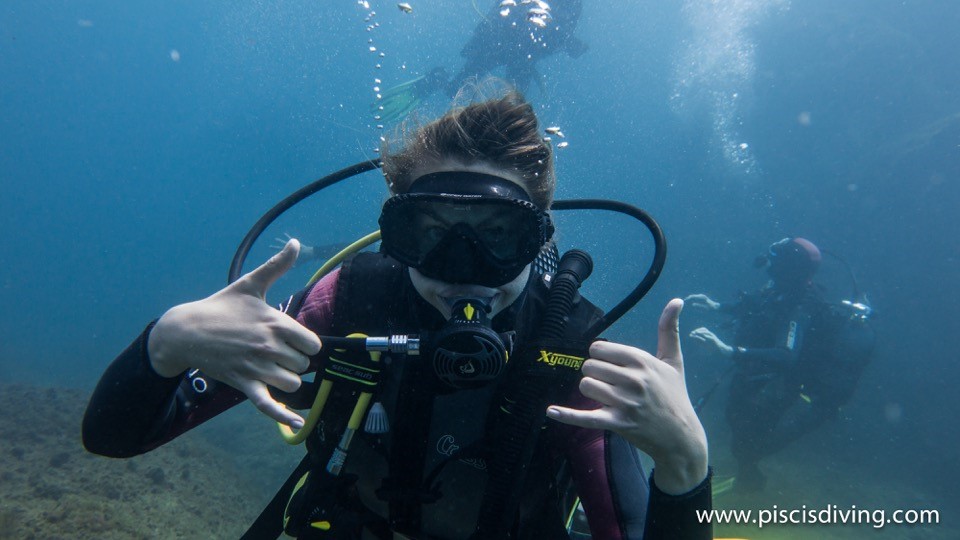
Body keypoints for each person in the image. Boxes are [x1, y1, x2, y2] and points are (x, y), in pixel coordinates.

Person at [83, 87, 711, 539]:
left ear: (538, 242)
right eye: (429, 233)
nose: (461, 269)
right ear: (394, 235)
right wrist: (165, 344)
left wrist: (685, 463)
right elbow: (113, 438)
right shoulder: (344, 304)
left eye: (496, 238)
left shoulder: (567, 348)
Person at [686, 237, 874, 493]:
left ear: (790, 267)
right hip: (764, 374)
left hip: (789, 381)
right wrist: (717, 306)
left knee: (752, 436)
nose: (768, 266)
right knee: (737, 419)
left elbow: (787, 355)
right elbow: (759, 304)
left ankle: (749, 478)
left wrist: (729, 350)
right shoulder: (782, 289)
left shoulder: (801, 306)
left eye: (775, 261)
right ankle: (747, 474)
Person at [377, 0, 588, 122]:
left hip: (505, 45)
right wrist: (569, 44)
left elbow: (561, 29)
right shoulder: (571, 6)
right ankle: (436, 81)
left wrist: (569, 43)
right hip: (504, 44)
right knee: (511, 107)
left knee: (511, 109)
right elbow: (560, 30)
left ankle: (438, 81)